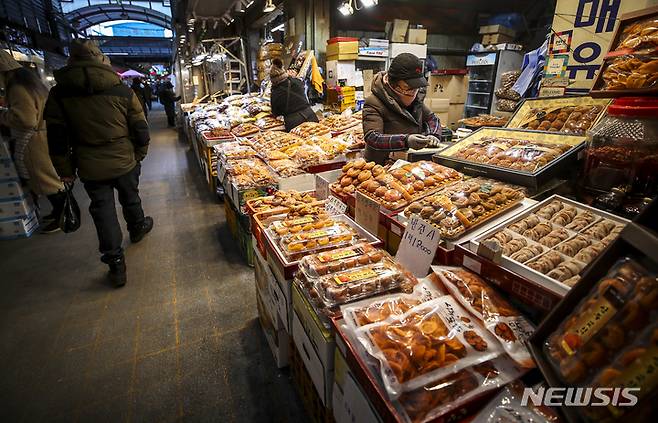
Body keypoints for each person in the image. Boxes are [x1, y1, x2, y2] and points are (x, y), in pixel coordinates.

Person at [44, 40, 153, 287]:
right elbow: (140, 127)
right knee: (130, 196)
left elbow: (57, 137)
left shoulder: (59, 94)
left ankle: (116, 264)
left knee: (102, 211)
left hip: (89, 162)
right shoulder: (121, 89)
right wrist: (140, 154)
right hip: (124, 157)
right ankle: (137, 227)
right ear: (102, 60)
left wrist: (64, 170)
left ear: (70, 61)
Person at [0, 50, 66, 233]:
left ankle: (63, 216)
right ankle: (59, 212)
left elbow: (26, 119)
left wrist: (4, 116)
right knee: (51, 179)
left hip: (34, 141)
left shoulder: (17, 88)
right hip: (44, 135)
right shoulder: (31, 84)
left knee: (47, 181)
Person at [362, 53, 441, 165]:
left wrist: (432, 134)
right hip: (380, 166)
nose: (413, 93)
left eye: (416, 88)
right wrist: (405, 140)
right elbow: (373, 137)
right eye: (407, 88)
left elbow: (432, 119)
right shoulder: (374, 103)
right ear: (392, 83)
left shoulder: (416, 100)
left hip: (408, 165)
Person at [269, 58, 319, 131]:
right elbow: (302, 89)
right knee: (319, 139)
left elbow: (275, 113)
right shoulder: (296, 81)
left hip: (294, 122)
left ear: (273, 80)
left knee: (299, 141)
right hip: (310, 115)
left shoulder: (276, 92)